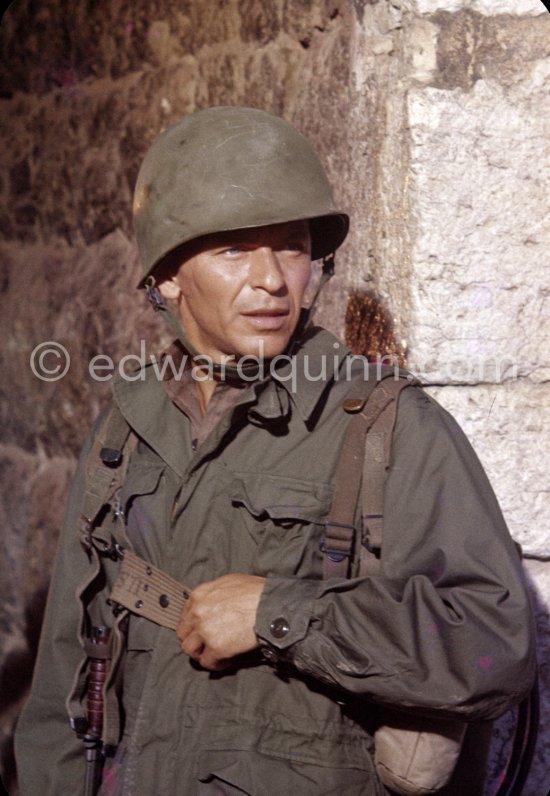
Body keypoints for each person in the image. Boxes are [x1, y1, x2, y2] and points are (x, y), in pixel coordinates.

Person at [15, 107, 536, 795]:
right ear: (167, 277)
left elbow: (495, 645)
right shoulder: (124, 428)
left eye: (290, 247)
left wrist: (278, 615)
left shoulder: (385, 430)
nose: (270, 279)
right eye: (233, 249)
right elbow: (60, 687)